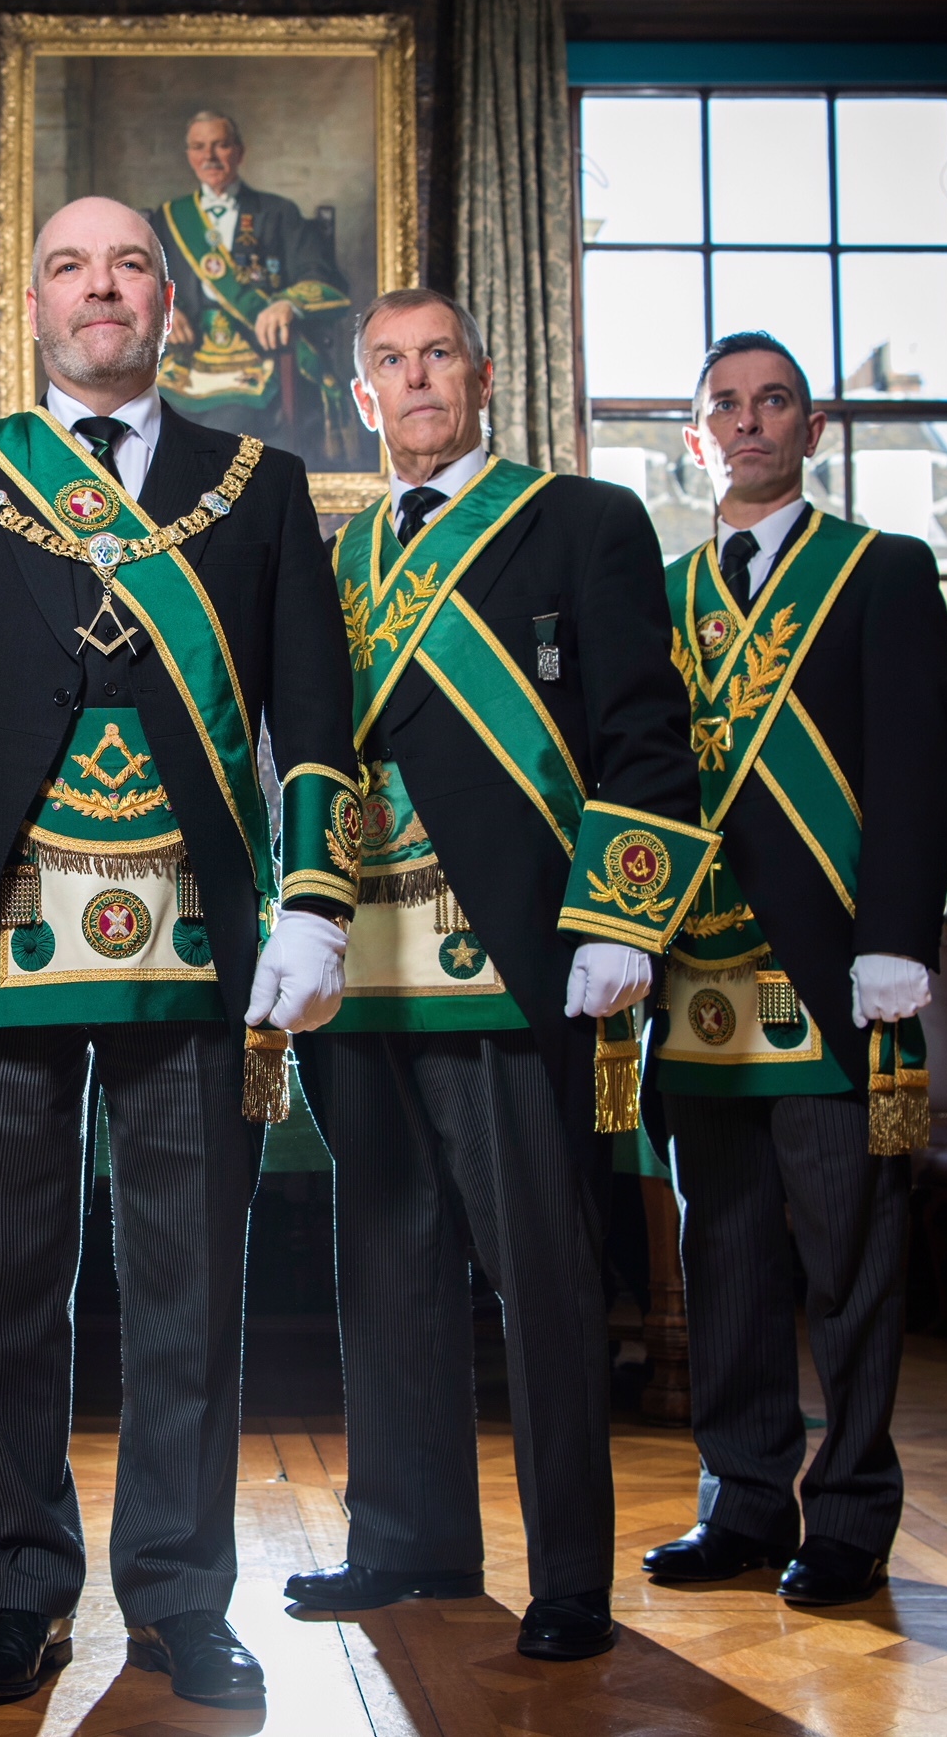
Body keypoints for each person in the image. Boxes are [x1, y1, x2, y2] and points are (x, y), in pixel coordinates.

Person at [0, 195, 357, 1710]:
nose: (102, 290)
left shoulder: (255, 483)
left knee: (194, 1285)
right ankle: (15, 1590)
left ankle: (186, 1597)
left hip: (195, 949)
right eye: (71, 266)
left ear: (169, 300)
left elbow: (311, 718)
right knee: (3, 1283)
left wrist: (310, 901)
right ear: (37, 303)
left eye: (130, 265)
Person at [287, 290, 713, 1660]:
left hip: (524, 957)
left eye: (438, 359)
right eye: (389, 365)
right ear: (364, 399)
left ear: (483, 374)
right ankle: (407, 1541)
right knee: (386, 1263)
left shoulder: (583, 521)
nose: (417, 383)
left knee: (544, 1276)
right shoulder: (342, 556)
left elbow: (650, 731)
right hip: (369, 964)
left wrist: (621, 919)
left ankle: (572, 1576)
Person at [643, 330, 947, 1608]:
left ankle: (849, 1514)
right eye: (727, 404)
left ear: (814, 429)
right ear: (696, 432)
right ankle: (742, 1500)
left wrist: (896, 937)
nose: (751, 422)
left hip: (835, 974)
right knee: (723, 1258)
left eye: (775, 402)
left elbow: (919, 761)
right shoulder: (662, 594)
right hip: (699, 975)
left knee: (849, 1260)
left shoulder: (879, 571)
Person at [147, 110, 354, 465]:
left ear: (240, 152)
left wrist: (287, 305)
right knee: (158, 423)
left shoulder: (278, 212)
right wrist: (164, 309)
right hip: (188, 352)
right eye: (199, 147)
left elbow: (320, 276)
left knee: (226, 427)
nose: (209, 156)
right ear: (189, 156)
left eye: (221, 145)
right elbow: (142, 278)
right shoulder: (168, 218)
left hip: (259, 350)